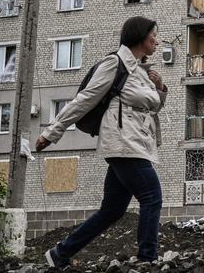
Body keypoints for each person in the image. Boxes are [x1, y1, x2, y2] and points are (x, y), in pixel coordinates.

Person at [36, 16, 168, 268]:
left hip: (136, 143)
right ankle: (147, 258)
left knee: (112, 210)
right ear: (140, 36)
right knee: (152, 196)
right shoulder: (115, 63)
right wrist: (52, 132)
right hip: (123, 144)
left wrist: (160, 87)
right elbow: (84, 99)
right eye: (154, 35)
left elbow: (153, 106)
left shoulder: (141, 72)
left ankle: (59, 254)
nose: (157, 41)